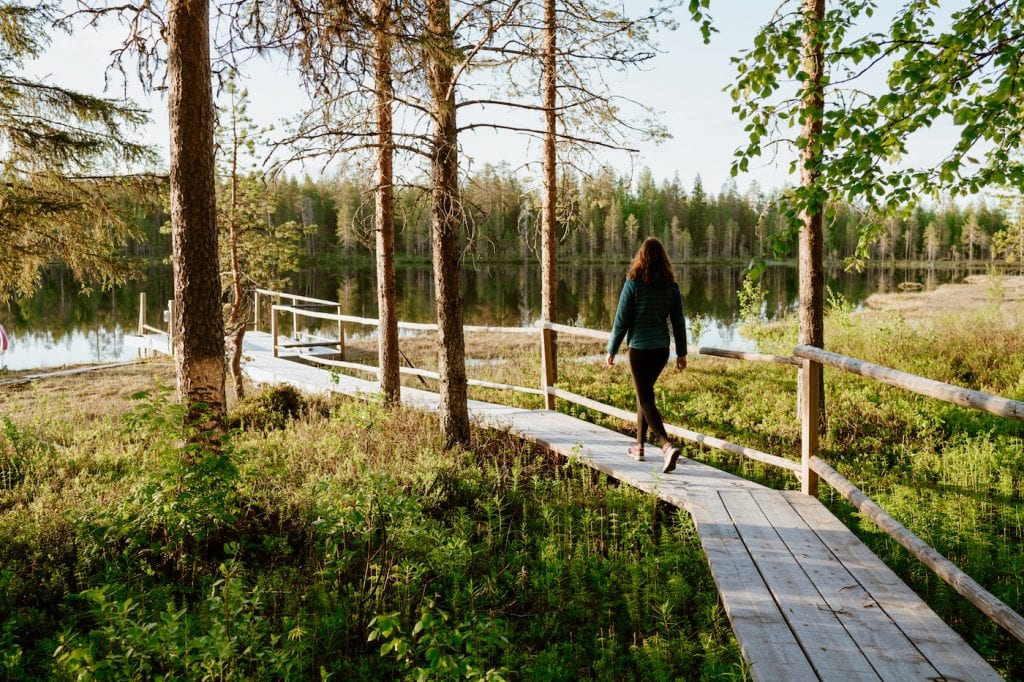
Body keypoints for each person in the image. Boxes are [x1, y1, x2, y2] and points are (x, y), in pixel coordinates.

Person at [606, 237, 687, 473]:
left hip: (640, 350)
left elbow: (621, 321)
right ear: (664, 259)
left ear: (640, 257)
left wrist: (612, 349)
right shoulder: (671, 287)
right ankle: (639, 447)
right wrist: (681, 353)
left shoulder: (633, 284)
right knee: (645, 395)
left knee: (645, 398)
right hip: (661, 350)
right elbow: (678, 322)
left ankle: (666, 446)